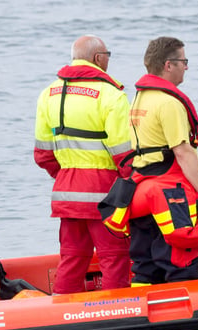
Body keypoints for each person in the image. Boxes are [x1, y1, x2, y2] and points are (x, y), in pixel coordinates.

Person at [34, 35, 132, 294]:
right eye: (108, 54)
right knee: (114, 258)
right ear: (98, 58)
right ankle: (116, 315)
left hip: (66, 192)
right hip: (106, 195)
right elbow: (124, 155)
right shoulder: (111, 95)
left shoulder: (48, 94)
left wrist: (68, 174)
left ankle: (61, 318)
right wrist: (129, 185)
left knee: (72, 259)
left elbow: (42, 154)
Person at [124, 36, 198, 286]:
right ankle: (193, 319)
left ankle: (142, 315)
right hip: (169, 194)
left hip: (142, 190)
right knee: (181, 261)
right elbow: (183, 152)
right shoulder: (168, 102)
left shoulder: (139, 99)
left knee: (146, 266)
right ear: (168, 65)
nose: (186, 66)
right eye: (183, 61)